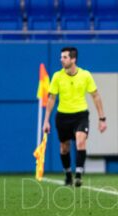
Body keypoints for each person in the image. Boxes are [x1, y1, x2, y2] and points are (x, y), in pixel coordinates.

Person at [43, 47, 107, 187]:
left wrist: (102, 119)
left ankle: (78, 174)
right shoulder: (57, 76)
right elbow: (51, 99)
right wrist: (46, 121)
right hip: (63, 116)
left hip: (80, 115)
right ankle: (67, 174)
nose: (61, 60)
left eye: (65, 57)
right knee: (64, 148)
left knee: (80, 142)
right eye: (61, 57)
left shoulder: (85, 75)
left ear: (73, 59)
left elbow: (95, 96)